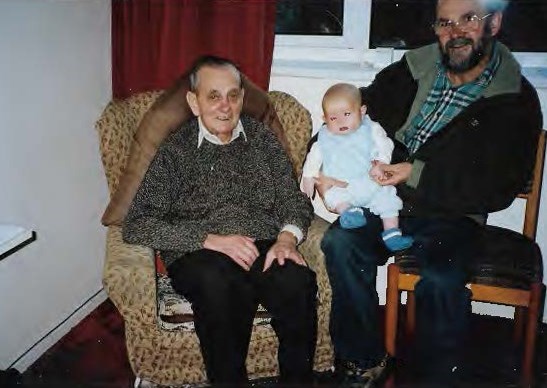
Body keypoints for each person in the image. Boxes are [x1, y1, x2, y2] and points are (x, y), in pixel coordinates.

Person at [317, 0, 543, 385]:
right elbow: (351, 117)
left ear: (494, 23)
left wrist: (415, 173)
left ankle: (433, 378)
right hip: (382, 199)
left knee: (440, 281)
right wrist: (322, 167)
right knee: (340, 242)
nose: (454, 32)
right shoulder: (408, 71)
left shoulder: (515, 99)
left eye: (468, 19)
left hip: (453, 214)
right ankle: (363, 359)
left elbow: (499, 186)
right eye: (444, 22)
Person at [122, 55, 317, 386]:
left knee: (297, 281)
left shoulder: (262, 139)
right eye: (213, 96)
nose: (225, 106)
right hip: (199, 253)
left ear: (242, 97)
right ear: (193, 102)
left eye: (233, 95)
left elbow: (292, 198)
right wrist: (207, 238)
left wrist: (286, 239)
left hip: (262, 244)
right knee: (220, 285)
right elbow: (136, 223)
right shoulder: (176, 151)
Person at [301, 83, 413, 251]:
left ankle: (392, 233)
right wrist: (308, 178)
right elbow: (313, 158)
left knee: (388, 199)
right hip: (341, 185)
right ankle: (349, 213)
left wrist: (382, 162)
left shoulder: (371, 128)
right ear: (324, 119)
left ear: (361, 111)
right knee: (333, 196)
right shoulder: (324, 138)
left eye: (347, 114)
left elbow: (385, 144)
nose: (341, 122)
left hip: (371, 181)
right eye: (333, 118)